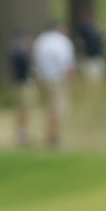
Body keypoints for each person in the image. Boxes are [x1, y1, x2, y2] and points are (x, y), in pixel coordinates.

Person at [32, 21, 76, 149]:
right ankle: (53, 135)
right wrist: (70, 78)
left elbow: (35, 59)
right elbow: (67, 62)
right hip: (58, 78)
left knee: (48, 107)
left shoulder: (41, 40)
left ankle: (50, 132)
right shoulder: (63, 41)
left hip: (43, 78)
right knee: (57, 107)